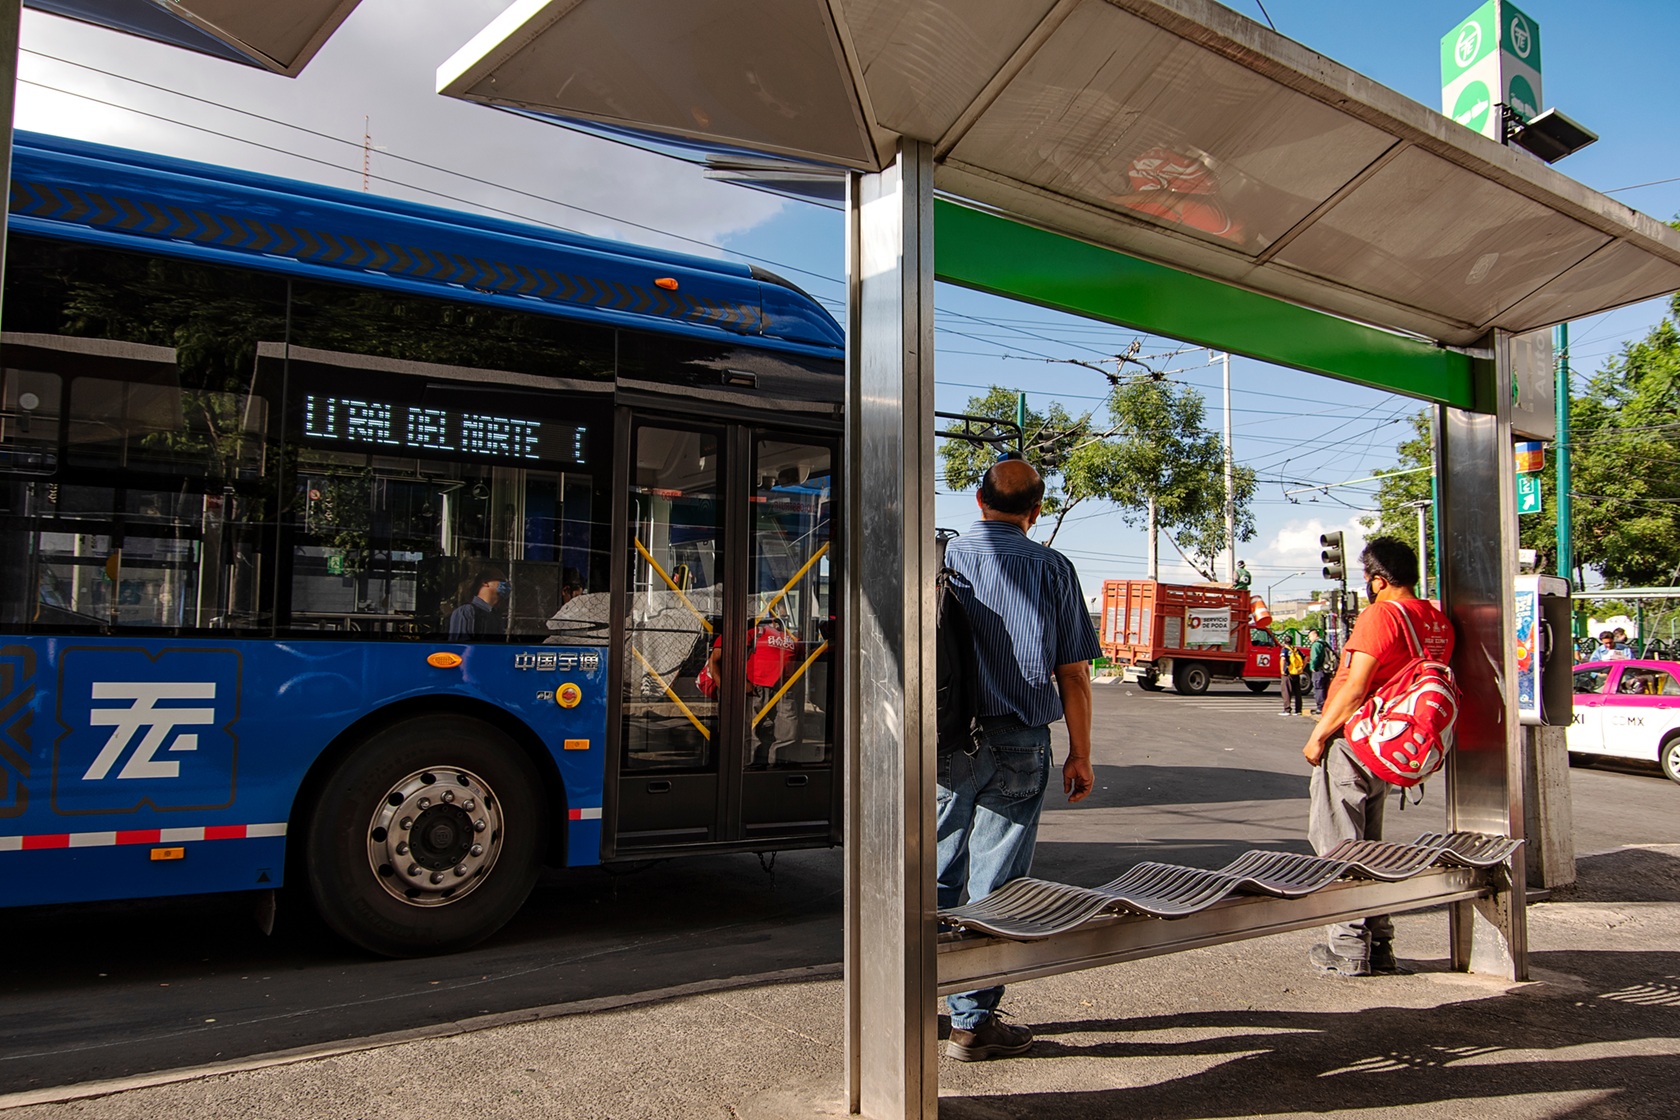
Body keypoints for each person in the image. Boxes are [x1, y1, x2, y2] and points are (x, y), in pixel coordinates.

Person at [939, 455, 1101, 1062]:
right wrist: (1081, 753)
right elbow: (1075, 674)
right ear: (1035, 513)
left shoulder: (943, 558)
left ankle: (912, 995)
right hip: (1020, 741)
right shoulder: (1052, 567)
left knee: (935, 869)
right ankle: (973, 1022)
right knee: (997, 881)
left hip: (944, 738)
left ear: (978, 502)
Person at [1301, 536, 1454, 977]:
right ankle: (1380, 942)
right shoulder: (1437, 621)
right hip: (1392, 745)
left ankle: (1347, 945)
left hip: (1356, 741)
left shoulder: (1380, 614)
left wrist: (1318, 735)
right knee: (1371, 845)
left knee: (1337, 842)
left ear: (1378, 580)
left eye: (1368, 579)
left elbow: (1354, 687)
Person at [696, 615, 803, 766]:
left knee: (789, 730)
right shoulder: (754, 632)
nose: (780, 620)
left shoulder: (792, 639)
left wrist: (794, 686)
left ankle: (779, 765)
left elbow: (799, 664)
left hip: (783, 689)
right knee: (750, 733)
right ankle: (748, 765)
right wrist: (735, 687)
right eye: (775, 617)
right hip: (755, 687)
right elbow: (715, 660)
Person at [449, 566, 506, 640]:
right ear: (485, 582)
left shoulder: (495, 615)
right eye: (501, 580)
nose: (505, 585)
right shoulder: (467, 611)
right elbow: (462, 648)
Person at [1307, 628, 1332, 715]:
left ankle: (1320, 707)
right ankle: (1325, 706)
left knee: (1318, 689)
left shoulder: (1316, 645)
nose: (1309, 639)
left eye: (1309, 636)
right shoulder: (1324, 643)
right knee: (1325, 688)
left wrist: (1312, 666)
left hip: (1319, 670)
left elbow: (1314, 657)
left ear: (1314, 635)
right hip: (1326, 669)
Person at [1279, 635, 1304, 716]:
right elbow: (1305, 658)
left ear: (1284, 642)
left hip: (1288, 672)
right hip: (1296, 672)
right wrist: (1301, 668)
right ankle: (1298, 710)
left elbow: (1283, 659)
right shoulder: (1296, 650)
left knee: (1286, 691)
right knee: (1297, 692)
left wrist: (1282, 670)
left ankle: (1287, 710)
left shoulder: (1284, 650)